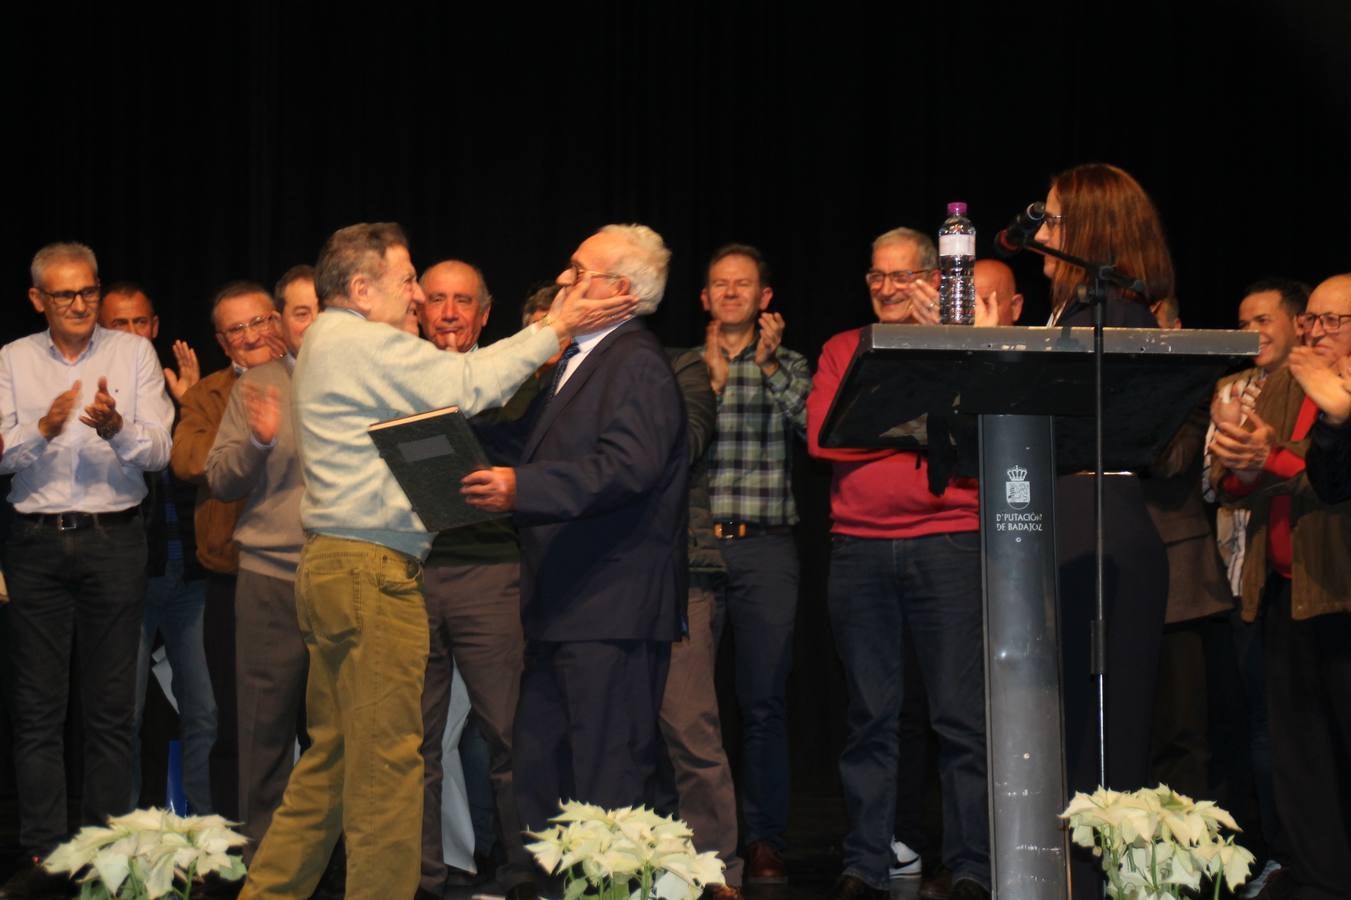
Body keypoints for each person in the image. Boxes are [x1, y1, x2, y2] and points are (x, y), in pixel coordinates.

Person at [239, 222, 632, 900]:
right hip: (368, 573)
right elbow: (469, 382)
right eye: (406, 280)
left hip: (336, 566)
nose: (418, 294)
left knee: (331, 765)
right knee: (389, 769)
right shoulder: (358, 338)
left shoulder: (338, 344)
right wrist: (556, 326)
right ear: (361, 290)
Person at [461, 225, 687, 848]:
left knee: (605, 777)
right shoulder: (583, 360)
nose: (563, 280)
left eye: (577, 271)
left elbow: (628, 466)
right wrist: (440, 428)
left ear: (618, 291)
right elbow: (523, 442)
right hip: (565, 605)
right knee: (547, 772)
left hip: (609, 607)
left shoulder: (634, 360)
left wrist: (520, 489)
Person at [807, 227, 990, 900]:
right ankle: (866, 862)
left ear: (932, 280)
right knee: (870, 717)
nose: (885, 288)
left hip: (947, 542)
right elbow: (827, 438)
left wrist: (893, 416)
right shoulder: (840, 348)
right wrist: (917, 429)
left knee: (959, 718)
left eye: (900, 276)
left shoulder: (961, 345)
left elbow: (967, 433)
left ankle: (972, 864)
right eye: (875, 277)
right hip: (857, 548)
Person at [0, 243, 174, 898]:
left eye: (88, 291)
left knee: (108, 710)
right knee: (38, 710)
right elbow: (1, 451)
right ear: (38, 299)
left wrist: (117, 428)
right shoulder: (13, 359)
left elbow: (159, 449)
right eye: (64, 294)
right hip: (36, 544)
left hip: (114, 542)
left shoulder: (132, 355)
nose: (79, 305)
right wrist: (40, 431)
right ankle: (45, 857)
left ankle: (106, 854)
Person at [1033, 162, 1170, 900]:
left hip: (1100, 530)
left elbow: (1088, 429)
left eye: (1053, 221)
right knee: (1071, 741)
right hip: (1070, 524)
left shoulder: (1116, 315)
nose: (1041, 235)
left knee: (1101, 745)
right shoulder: (1078, 312)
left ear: (1091, 232)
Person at [1210, 272, 1351, 900]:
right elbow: (1244, 480)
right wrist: (1243, 459)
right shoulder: (1286, 384)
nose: (1316, 332)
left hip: (1340, 589)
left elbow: (1328, 479)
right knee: (1302, 759)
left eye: (1334, 321)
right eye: (1313, 320)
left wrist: (1279, 455)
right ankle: (1320, 879)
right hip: (1288, 590)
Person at [414, 260, 538, 900]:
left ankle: (523, 870)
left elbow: (518, 458)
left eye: (464, 300)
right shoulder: (396, 375)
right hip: (408, 573)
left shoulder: (512, 378)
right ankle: (421, 876)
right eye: (437, 299)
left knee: (509, 732)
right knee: (415, 746)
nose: (450, 312)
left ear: (485, 314)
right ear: (418, 308)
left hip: (491, 572)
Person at [696, 243, 809, 882]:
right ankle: (695, 834)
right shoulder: (684, 366)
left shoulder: (790, 364)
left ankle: (764, 838)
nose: (732, 293)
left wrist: (768, 369)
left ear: (765, 298)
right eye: (720, 285)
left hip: (766, 545)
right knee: (689, 703)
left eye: (744, 285)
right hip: (696, 549)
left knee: (763, 699)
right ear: (705, 298)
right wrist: (708, 384)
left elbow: (815, 429)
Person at [204, 265, 318, 859]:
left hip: (351, 576)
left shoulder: (376, 376)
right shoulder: (262, 382)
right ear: (285, 322)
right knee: (263, 731)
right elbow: (219, 477)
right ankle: (266, 865)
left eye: (320, 308)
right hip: (272, 577)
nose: (312, 321)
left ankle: (341, 863)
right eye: (300, 311)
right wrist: (259, 441)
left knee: (342, 737)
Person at [98, 284, 216, 816]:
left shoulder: (188, 394)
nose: (130, 334)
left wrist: (191, 405)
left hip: (191, 577)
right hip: (129, 578)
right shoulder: (89, 397)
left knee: (207, 711)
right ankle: (118, 842)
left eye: (139, 323)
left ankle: (205, 838)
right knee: (123, 715)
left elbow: (211, 477)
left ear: (155, 326)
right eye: (117, 324)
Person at [171, 280, 286, 821]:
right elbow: (191, 462)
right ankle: (234, 845)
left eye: (261, 321)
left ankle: (324, 856)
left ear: (282, 320)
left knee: (316, 720)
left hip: (303, 572)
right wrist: (249, 420)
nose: (252, 336)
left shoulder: (315, 378)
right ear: (222, 341)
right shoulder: (209, 394)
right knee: (234, 720)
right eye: (237, 329)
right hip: (232, 575)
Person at [656, 346, 742, 898]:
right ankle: (635, 865)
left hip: (678, 573)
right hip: (596, 582)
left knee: (690, 729)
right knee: (616, 738)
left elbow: (683, 444)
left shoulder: (678, 363)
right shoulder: (563, 376)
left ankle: (712, 872)